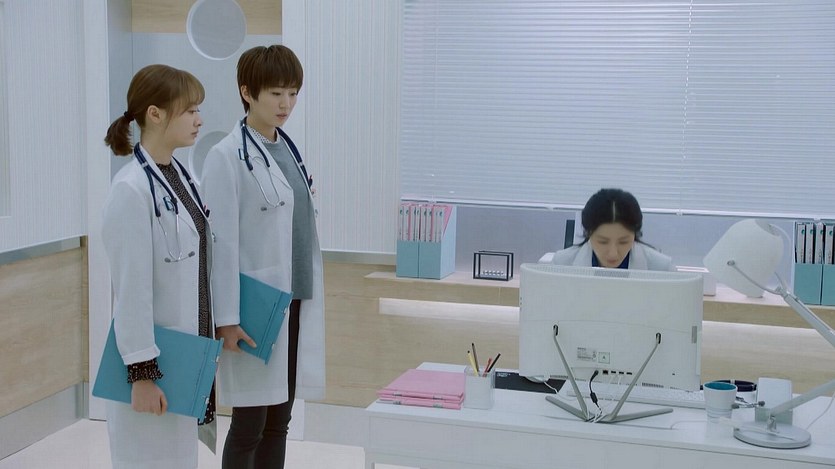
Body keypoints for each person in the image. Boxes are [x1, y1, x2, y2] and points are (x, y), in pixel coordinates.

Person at [201, 45, 325, 469]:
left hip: (294, 300)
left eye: (292, 93)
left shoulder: (286, 148)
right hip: (256, 307)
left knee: (279, 421)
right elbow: (221, 242)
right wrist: (226, 318)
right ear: (247, 92)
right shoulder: (226, 156)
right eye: (275, 93)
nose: (286, 104)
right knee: (250, 423)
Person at [101, 64, 214, 468]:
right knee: (148, 458)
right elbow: (131, 290)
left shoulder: (179, 177)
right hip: (154, 364)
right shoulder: (130, 189)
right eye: (190, 110)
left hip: (185, 352)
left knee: (179, 458)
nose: (199, 120)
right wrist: (142, 372)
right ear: (155, 114)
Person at [552, 188, 674, 271]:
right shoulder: (561, 265)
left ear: (635, 235)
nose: (613, 253)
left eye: (623, 242)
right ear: (588, 233)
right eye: (603, 242)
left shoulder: (662, 268)